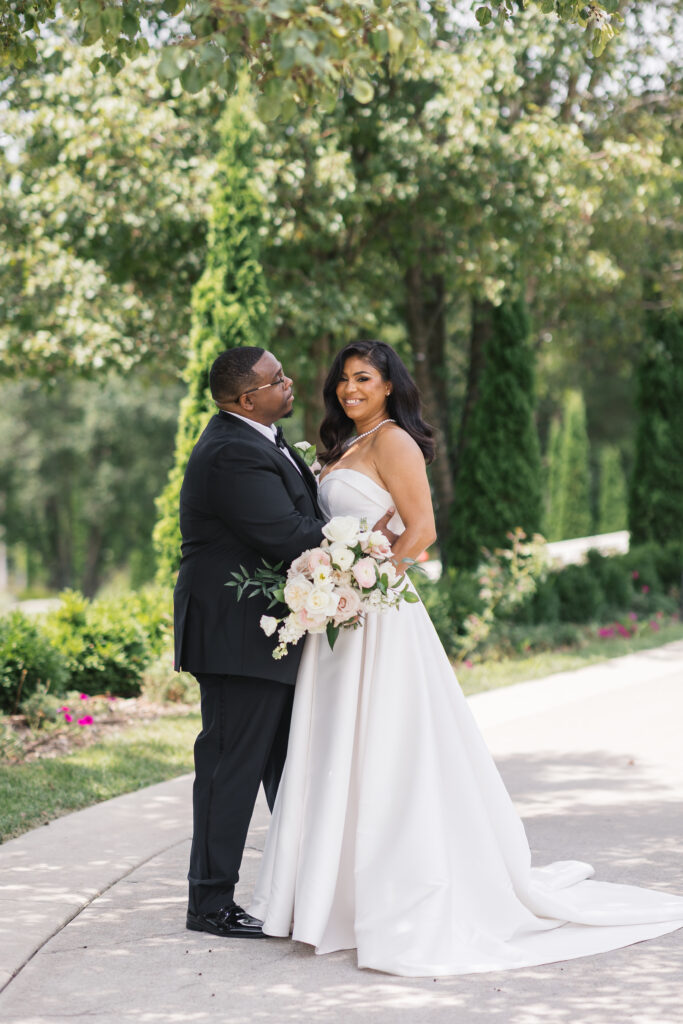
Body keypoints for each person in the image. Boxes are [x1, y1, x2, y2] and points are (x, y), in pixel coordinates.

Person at [249, 339, 683, 976]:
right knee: (338, 747)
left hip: (377, 615)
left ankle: (386, 893)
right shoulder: (346, 446)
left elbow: (422, 530)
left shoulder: (393, 441)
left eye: (364, 378)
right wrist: (337, 585)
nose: (350, 390)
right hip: (341, 619)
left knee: (388, 747)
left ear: (390, 384)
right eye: (343, 380)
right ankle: (329, 896)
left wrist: (362, 581)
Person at [175, 346, 395, 940]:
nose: (290, 384)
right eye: (277, 380)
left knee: (284, 768)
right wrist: (363, 542)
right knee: (231, 768)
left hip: (269, 632)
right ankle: (209, 904)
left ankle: (304, 888)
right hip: (237, 635)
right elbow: (286, 535)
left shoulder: (259, 438)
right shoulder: (230, 453)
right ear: (247, 398)